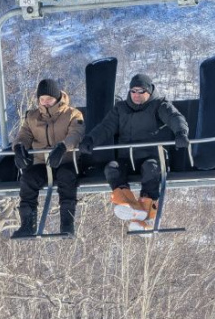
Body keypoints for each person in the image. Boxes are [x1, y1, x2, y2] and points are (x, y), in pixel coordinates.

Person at [78, 74, 189, 231]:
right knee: (112, 168)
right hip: (127, 158)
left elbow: (175, 117)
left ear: (149, 92)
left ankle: (147, 216)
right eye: (133, 91)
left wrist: (181, 133)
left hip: (150, 156)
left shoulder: (159, 104)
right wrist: (90, 140)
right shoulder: (121, 109)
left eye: (140, 91)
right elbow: (106, 127)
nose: (136, 95)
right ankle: (128, 204)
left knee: (151, 169)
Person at [10, 79, 85, 237]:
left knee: (67, 179)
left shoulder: (72, 114)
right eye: (42, 99)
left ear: (57, 98)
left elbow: (76, 134)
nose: (46, 103)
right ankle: (27, 225)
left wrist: (63, 147)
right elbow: (23, 136)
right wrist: (18, 148)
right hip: (42, 163)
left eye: (49, 99)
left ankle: (67, 224)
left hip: (65, 160)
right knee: (28, 180)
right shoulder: (32, 117)